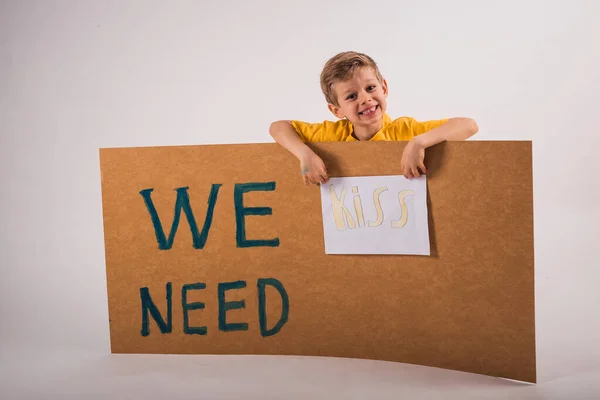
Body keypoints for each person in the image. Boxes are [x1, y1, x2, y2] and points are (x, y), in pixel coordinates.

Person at [269, 51, 478, 186]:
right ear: (337, 110)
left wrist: (419, 142)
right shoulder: (332, 135)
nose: (366, 99)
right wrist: (304, 154)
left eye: (370, 88)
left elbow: (469, 125)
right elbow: (278, 127)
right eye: (351, 96)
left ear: (384, 87)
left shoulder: (404, 130)